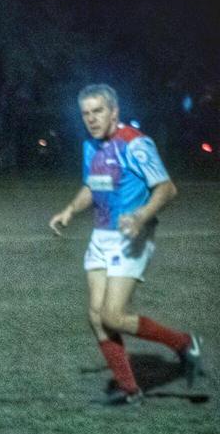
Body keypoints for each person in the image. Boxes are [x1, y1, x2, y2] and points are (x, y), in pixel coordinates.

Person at [49, 84, 203, 404]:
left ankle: (184, 343)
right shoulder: (90, 146)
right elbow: (93, 186)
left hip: (132, 236)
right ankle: (128, 389)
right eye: (86, 113)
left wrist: (141, 216)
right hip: (102, 235)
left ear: (114, 111)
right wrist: (70, 210)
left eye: (98, 111)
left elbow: (167, 188)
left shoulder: (136, 144)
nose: (91, 119)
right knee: (96, 315)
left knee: (113, 316)